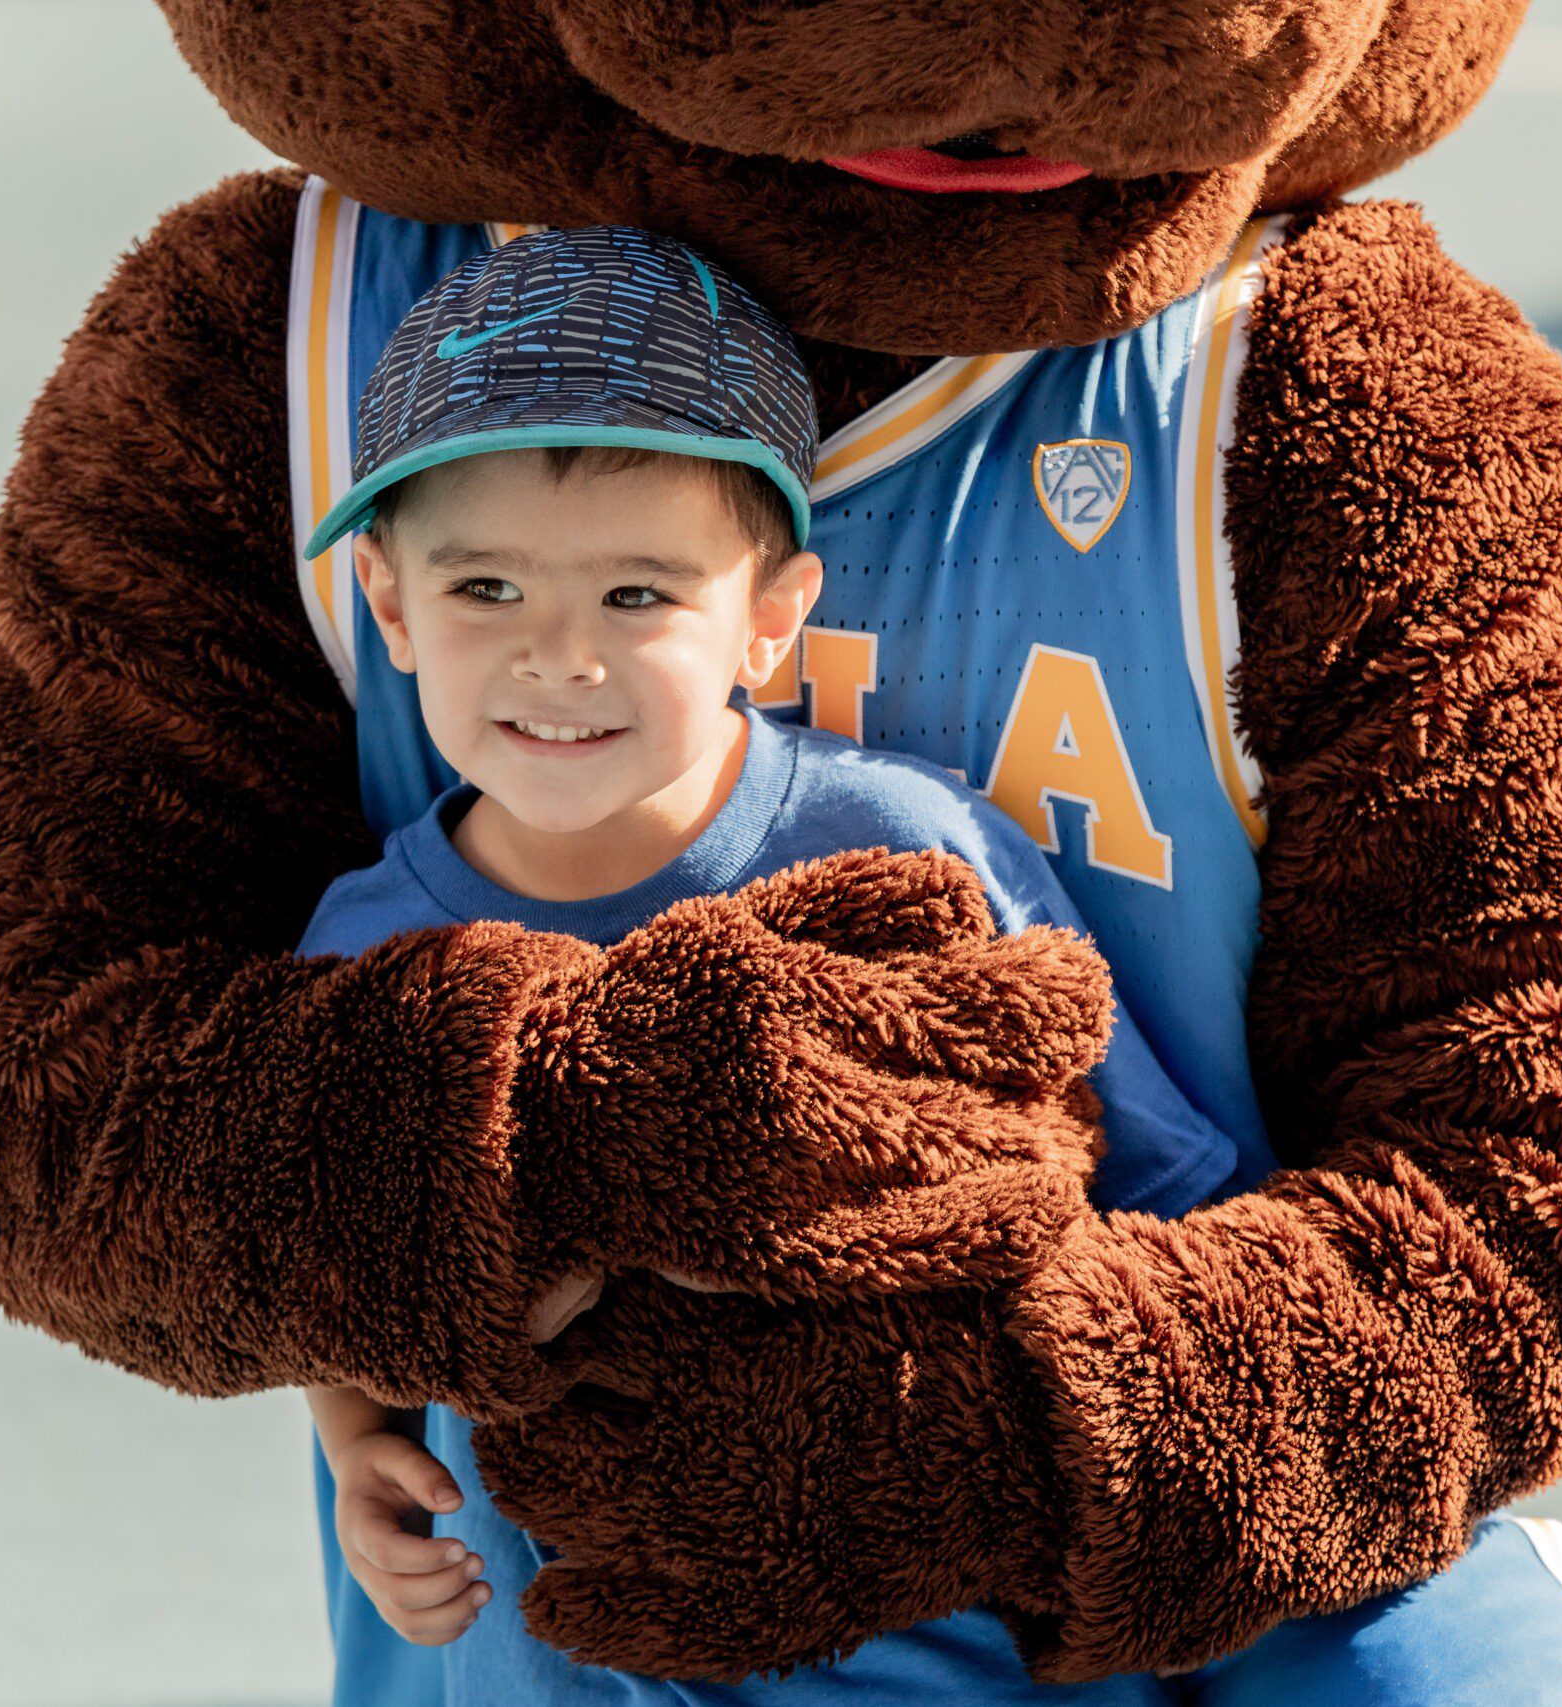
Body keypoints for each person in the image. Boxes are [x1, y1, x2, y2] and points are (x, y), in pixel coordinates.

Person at [292, 224, 1262, 1704]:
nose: (557, 657)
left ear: (768, 618)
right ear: (389, 598)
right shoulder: (373, 949)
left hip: (933, 1643)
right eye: (486, 589)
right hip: (552, 1648)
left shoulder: (899, 853)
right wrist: (359, 1446)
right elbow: (338, 1266)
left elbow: (1142, 1181)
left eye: (636, 597)